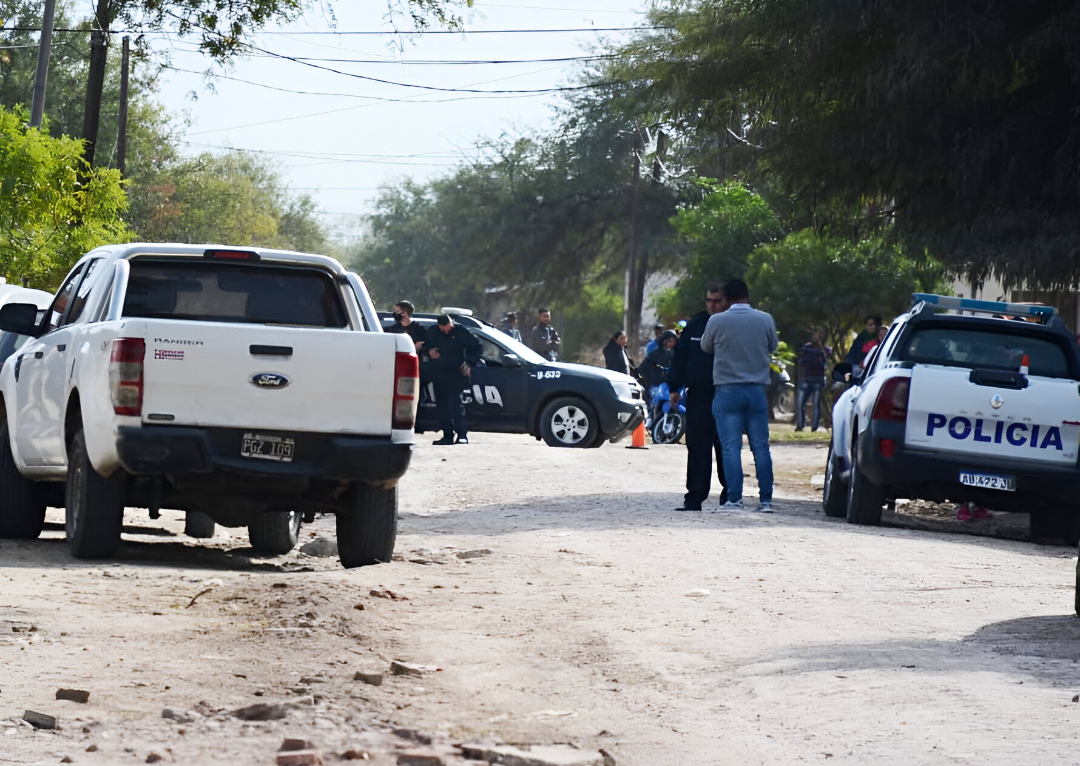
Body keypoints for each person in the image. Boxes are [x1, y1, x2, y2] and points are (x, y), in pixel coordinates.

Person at [700, 278, 778, 512]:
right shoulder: (765, 319)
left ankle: (735, 498)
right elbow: (772, 346)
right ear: (747, 295)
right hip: (756, 390)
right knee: (761, 447)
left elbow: (706, 347)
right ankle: (766, 500)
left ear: (727, 297)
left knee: (731, 447)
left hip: (727, 390)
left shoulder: (717, 321)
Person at [668, 283, 728, 511]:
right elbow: (680, 358)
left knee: (726, 447)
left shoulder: (733, 326)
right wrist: (674, 387)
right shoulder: (695, 326)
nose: (713, 305)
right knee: (697, 447)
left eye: (717, 300)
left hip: (726, 395)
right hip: (699, 396)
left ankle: (730, 497)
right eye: (709, 300)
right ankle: (694, 497)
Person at [424, 315, 482, 445]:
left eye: (448, 327)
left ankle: (462, 435)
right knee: (442, 407)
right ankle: (447, 435)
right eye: (443, 328)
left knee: (455, 405)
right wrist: (429, 351)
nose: (445, 330)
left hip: (457, 374)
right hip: (439, 374)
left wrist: (469, 363)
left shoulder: (461, 332)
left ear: (451, 324)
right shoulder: (433, 331)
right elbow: (425, 345)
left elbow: (477, 347)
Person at [794, 329, 831, 432]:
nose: (816, 337)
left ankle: (814, 427)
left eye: (819, 335)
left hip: (818, 379)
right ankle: (800, 425)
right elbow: (801, 360)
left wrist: (820, 346)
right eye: (815, 335)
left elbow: (825, 358)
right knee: (800, 402)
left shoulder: (826, 349)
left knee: (816, 403)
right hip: (806, 378)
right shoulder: (806, 348)